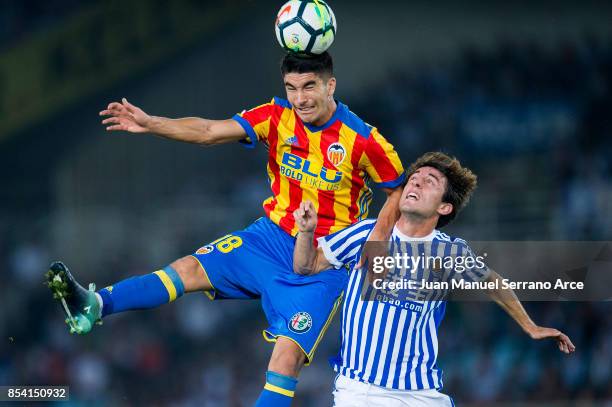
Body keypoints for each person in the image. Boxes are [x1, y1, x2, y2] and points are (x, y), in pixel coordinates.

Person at [46, 51, 406, 406]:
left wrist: (374, 247)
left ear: (331, 85)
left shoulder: (363, 139)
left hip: (323, 260)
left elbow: (398, 191)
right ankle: (94, 305)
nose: (300, 99)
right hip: (268, 239)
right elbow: (208, 131)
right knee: (186, 269)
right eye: (291, 87)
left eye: (309, 87)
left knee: (286, 359)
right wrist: (151, 123)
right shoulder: (275, 116)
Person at [292, 151, 576, 406]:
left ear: (444, 207)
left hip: (423, 393)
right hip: (362, 391)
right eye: (414, 178)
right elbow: (306, 266)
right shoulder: (365, 233)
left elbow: (492, 282)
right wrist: (305, 232)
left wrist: (530, 326)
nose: (415, 182)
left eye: (430, 181)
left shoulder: (450, 250)